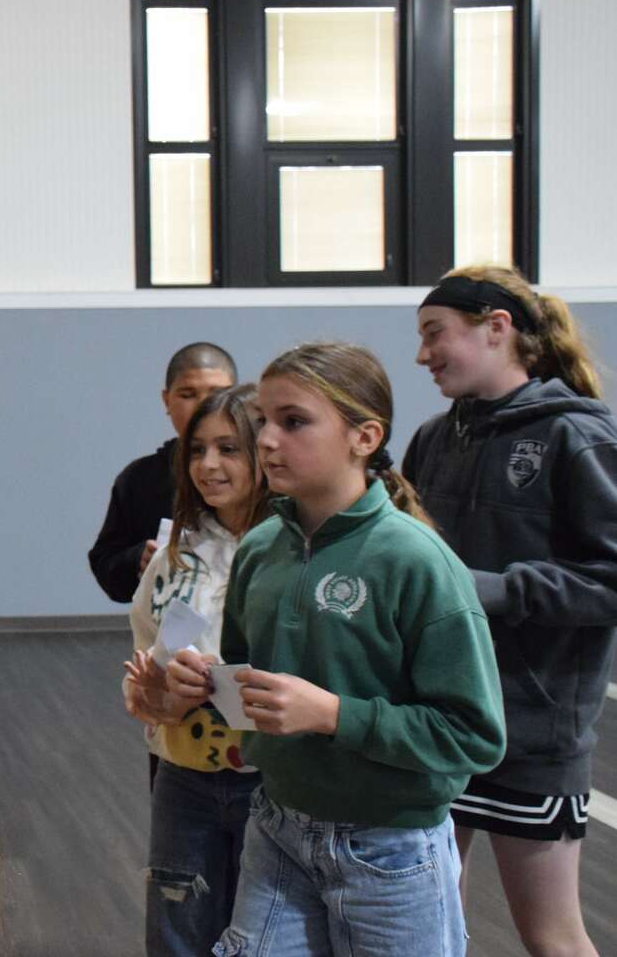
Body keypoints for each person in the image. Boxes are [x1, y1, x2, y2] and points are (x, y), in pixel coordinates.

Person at [169, 342, 505, 957]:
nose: (267, 440)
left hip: (391, 845)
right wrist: (206, 688)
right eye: (264, 420)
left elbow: (474, 736)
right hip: (275, 827)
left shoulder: (416, 561)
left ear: (364, 437)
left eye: (293, 422)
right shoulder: (262, 547)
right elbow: (253, 693)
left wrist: (332, 715)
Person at [405, 266, 617, 957]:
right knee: (432, 925)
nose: (422, 354)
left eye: (436, 334)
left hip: (532, 729)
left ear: (498, 328)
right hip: (438, 721)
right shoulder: (433, 439)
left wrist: (493, 588)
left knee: (552, 937)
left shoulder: (576, 436)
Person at [122, 384, 270, 956]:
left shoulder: (293, 549)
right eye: (198, 449)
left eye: (230, 449)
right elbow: (142, 658)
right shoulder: (175, 554)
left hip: (271, 781)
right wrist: (159, 696)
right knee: (177, 931)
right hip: (182, 774)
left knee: (260, 932)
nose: (209, 465)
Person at [89, 343, 237, 605]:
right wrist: (139, 559)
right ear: (166, 400)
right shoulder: (139, 479)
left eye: (218, 393)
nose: (204, 406)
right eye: (188, 394)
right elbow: (106, 565)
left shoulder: (264, 470)